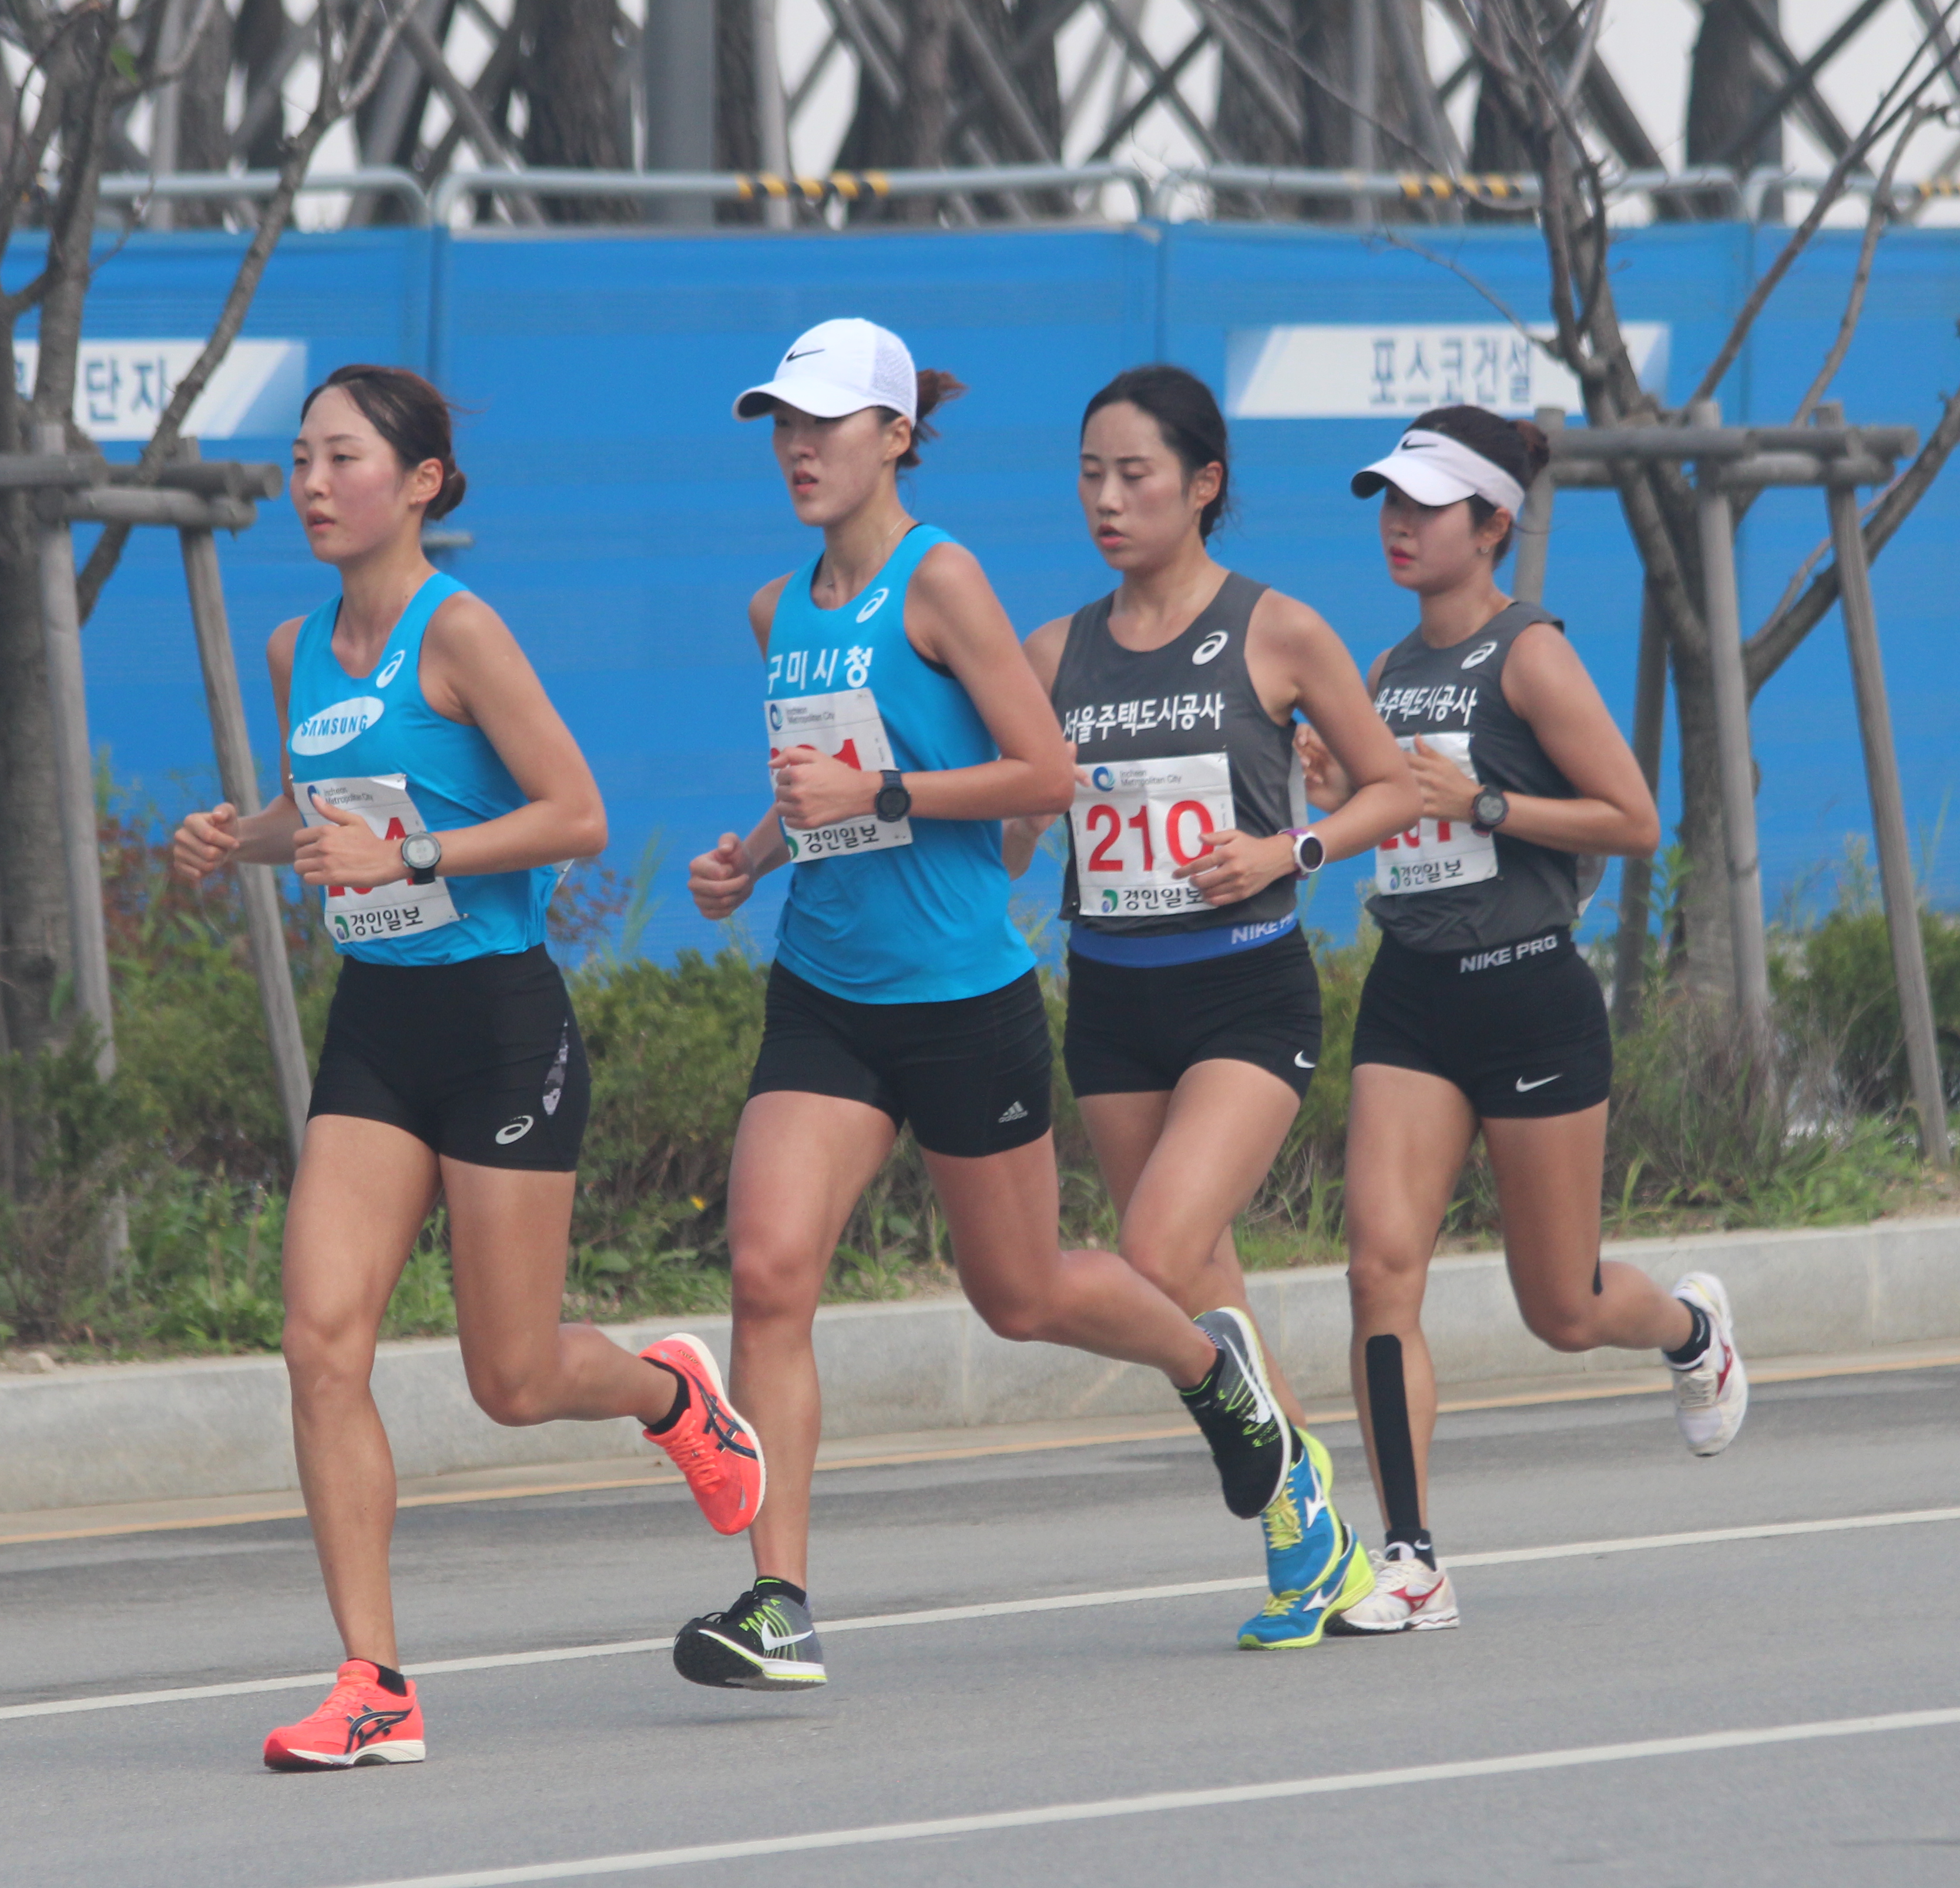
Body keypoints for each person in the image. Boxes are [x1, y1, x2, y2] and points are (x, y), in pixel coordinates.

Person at [676, 318, 1299, 1693]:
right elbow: (821, 786)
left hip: (964, 996)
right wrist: (755, 853)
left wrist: (886, 798)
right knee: (770, 1273)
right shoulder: (780, 612)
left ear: (894, 436)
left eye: (826, 424)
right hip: (827, 992)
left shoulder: (938, 580)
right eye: (780, 422)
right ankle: (779, 1600)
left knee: (1018, 1296)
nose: (796, 447)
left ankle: (1211, 1372)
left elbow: (1048, 777)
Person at [172, 364, 767, 1768]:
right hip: (379, 1025)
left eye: (342, 459)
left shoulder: (463, 633)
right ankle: (374, 1681)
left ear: (422, 481)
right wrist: (239, 839)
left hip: (501, 1023)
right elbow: (330, 813)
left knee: (511, 1376)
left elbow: (576, 814)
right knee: (321, 1343)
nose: (313, 485)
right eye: (302, 461)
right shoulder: (293, 649)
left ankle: (673, 1393)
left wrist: (418, 854)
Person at [1293, 405, 1750, 1639]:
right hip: (1412, 994)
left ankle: (1691, 1330)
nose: (1396, 523)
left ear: (1492, 525)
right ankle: (1411, 1558)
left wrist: (1487, 801)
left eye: (1424, 506)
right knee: (1378, 1268)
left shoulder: (1529, 655)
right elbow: (1387, 817)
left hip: (1531, 990)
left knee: (1564, 1308)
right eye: (1386, 501)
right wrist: (1342, 793)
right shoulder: (1384, 672)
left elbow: (1634, 820)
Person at [1002, 364, 1422, 1650]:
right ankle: (1313, 1540)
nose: (1108, 500)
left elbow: (1393, 788)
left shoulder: (1276, 631)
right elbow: (1015, 832)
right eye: (1089, 475)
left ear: (1204, 484)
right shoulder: (1050, 650)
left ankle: (1299, 1494)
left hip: (1246, 990)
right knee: (1205, 1290)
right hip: (1114, 1000)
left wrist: (1285, 852)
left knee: (1158, 1255)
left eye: (1135, 476)